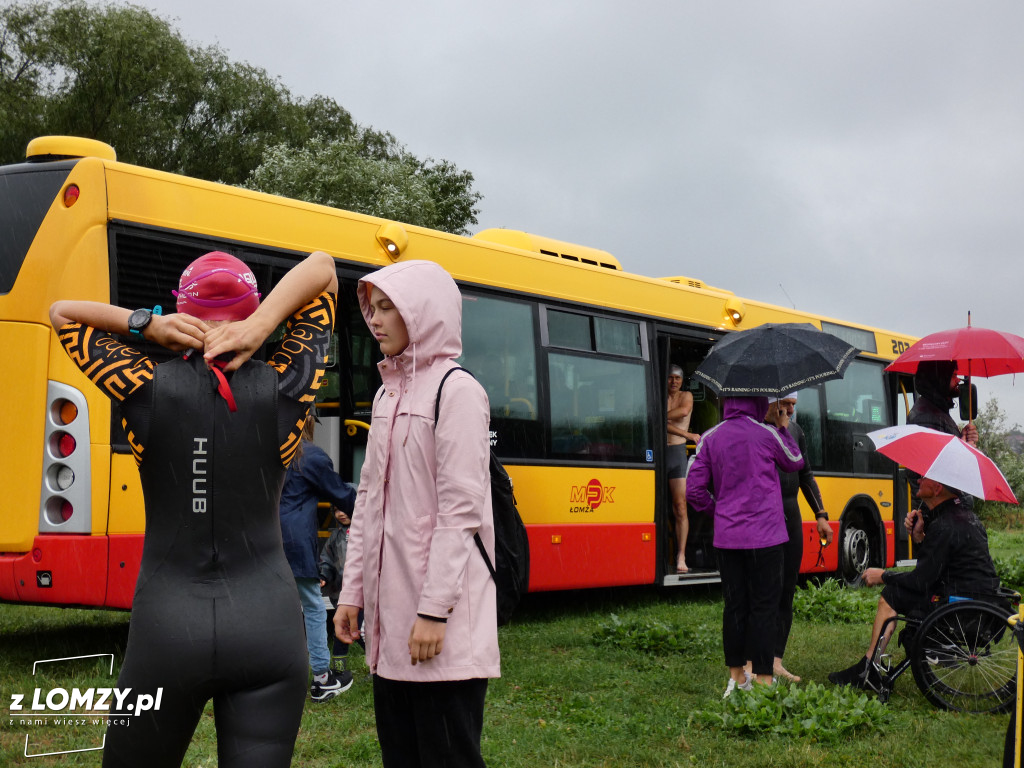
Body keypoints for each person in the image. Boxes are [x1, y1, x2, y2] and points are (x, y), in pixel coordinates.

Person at [50, 249, 338, 768]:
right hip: (268, 627)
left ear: (183, 310)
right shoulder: (289, 385)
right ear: (250, 310)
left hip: (166, 628)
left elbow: (63, 314)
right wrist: (262, 324)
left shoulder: (141, 385)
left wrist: (147, 325)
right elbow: (323, 270)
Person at [334, 260, 499, 768]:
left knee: (448, 758)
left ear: (422, 314)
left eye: (389, 308)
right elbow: (368, 505)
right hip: (390, 627)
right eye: (374, 308)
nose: (376, 320)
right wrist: (351, 594)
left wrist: (433, 611)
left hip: (441, 627)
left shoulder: (459, 392)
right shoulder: (386, 393)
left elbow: (460, 512)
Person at [828, 474, 1000, 689]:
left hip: (962, 606)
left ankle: (869, 666)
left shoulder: (947, 524)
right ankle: (870, 665)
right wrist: (919, 537)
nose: (918, 481)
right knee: (897, 593)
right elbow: (936, 565)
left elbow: (921, 580)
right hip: (973, 597)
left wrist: (883, 575)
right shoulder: (959, 516)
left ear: (937, 488)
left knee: (892, 595)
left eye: (924, 479)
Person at [686, 396, 804, 696]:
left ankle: (736, 679)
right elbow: (795, 462)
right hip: (767, 538)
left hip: (728, 539)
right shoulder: (767, 434)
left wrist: (720, 512)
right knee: (765, 607)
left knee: (735, 607)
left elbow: (694, 489)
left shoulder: (711, 437)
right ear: (757, 399)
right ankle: (763, 681)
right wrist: (782, 427)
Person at [279, 412, 357, 701]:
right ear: (309, 423)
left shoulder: (268, 452)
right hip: (294, 543)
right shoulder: (310, 456)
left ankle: (274, 676)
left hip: (262, 541)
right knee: (312, 606)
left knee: (274, 610)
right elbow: (342, 495)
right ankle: (323, 678)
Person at [766, 393, 832, 682]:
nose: (791, 409)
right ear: (771, 401)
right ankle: (754, 657)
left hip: (791, 514)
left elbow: (805, 474)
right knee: (765, 588)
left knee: (787, 589)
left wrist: (820, 514)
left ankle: (776, 660)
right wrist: (779, 431)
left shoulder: (796, 431)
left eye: (794, 404)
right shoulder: (757, 429)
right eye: (786, 403)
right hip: (765, 516)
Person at [667, 365, 700, 573]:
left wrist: (660, 416)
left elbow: (684, 411)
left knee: (680, 505)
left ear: (682, 381)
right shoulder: (660, 394)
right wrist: (687, 434)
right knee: (659, 507)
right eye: (670, 378)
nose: (674, 382)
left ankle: (681, 555)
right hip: (659, 451)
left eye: (677, 378)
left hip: (677, 452)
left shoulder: (686, 395)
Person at [319, 505, 357, 669]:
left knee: (363, 632)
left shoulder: (367, 532)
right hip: (341, 593)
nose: (340, 513)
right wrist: (323, 575)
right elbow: (326, 559)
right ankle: (339, 668)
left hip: (364, 594)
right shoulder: (336, 536)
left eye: (345, 508)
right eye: (336, 510)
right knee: (340, 630)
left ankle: (375, 665)